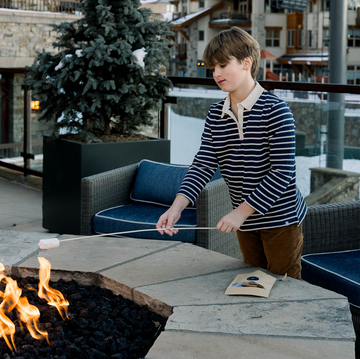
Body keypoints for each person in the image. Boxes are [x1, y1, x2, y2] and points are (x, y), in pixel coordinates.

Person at [156, 27, 307, 280]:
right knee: (253, 282)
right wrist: (176, 207)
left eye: (223, 65)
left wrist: (241, 212)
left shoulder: (277, 110)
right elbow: (203, 163)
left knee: (286, 287)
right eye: (212, 67)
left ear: (247, 63)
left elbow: (283, 172)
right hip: (244, 221)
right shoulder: (216, 114)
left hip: (280, 220)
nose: (216, 73)